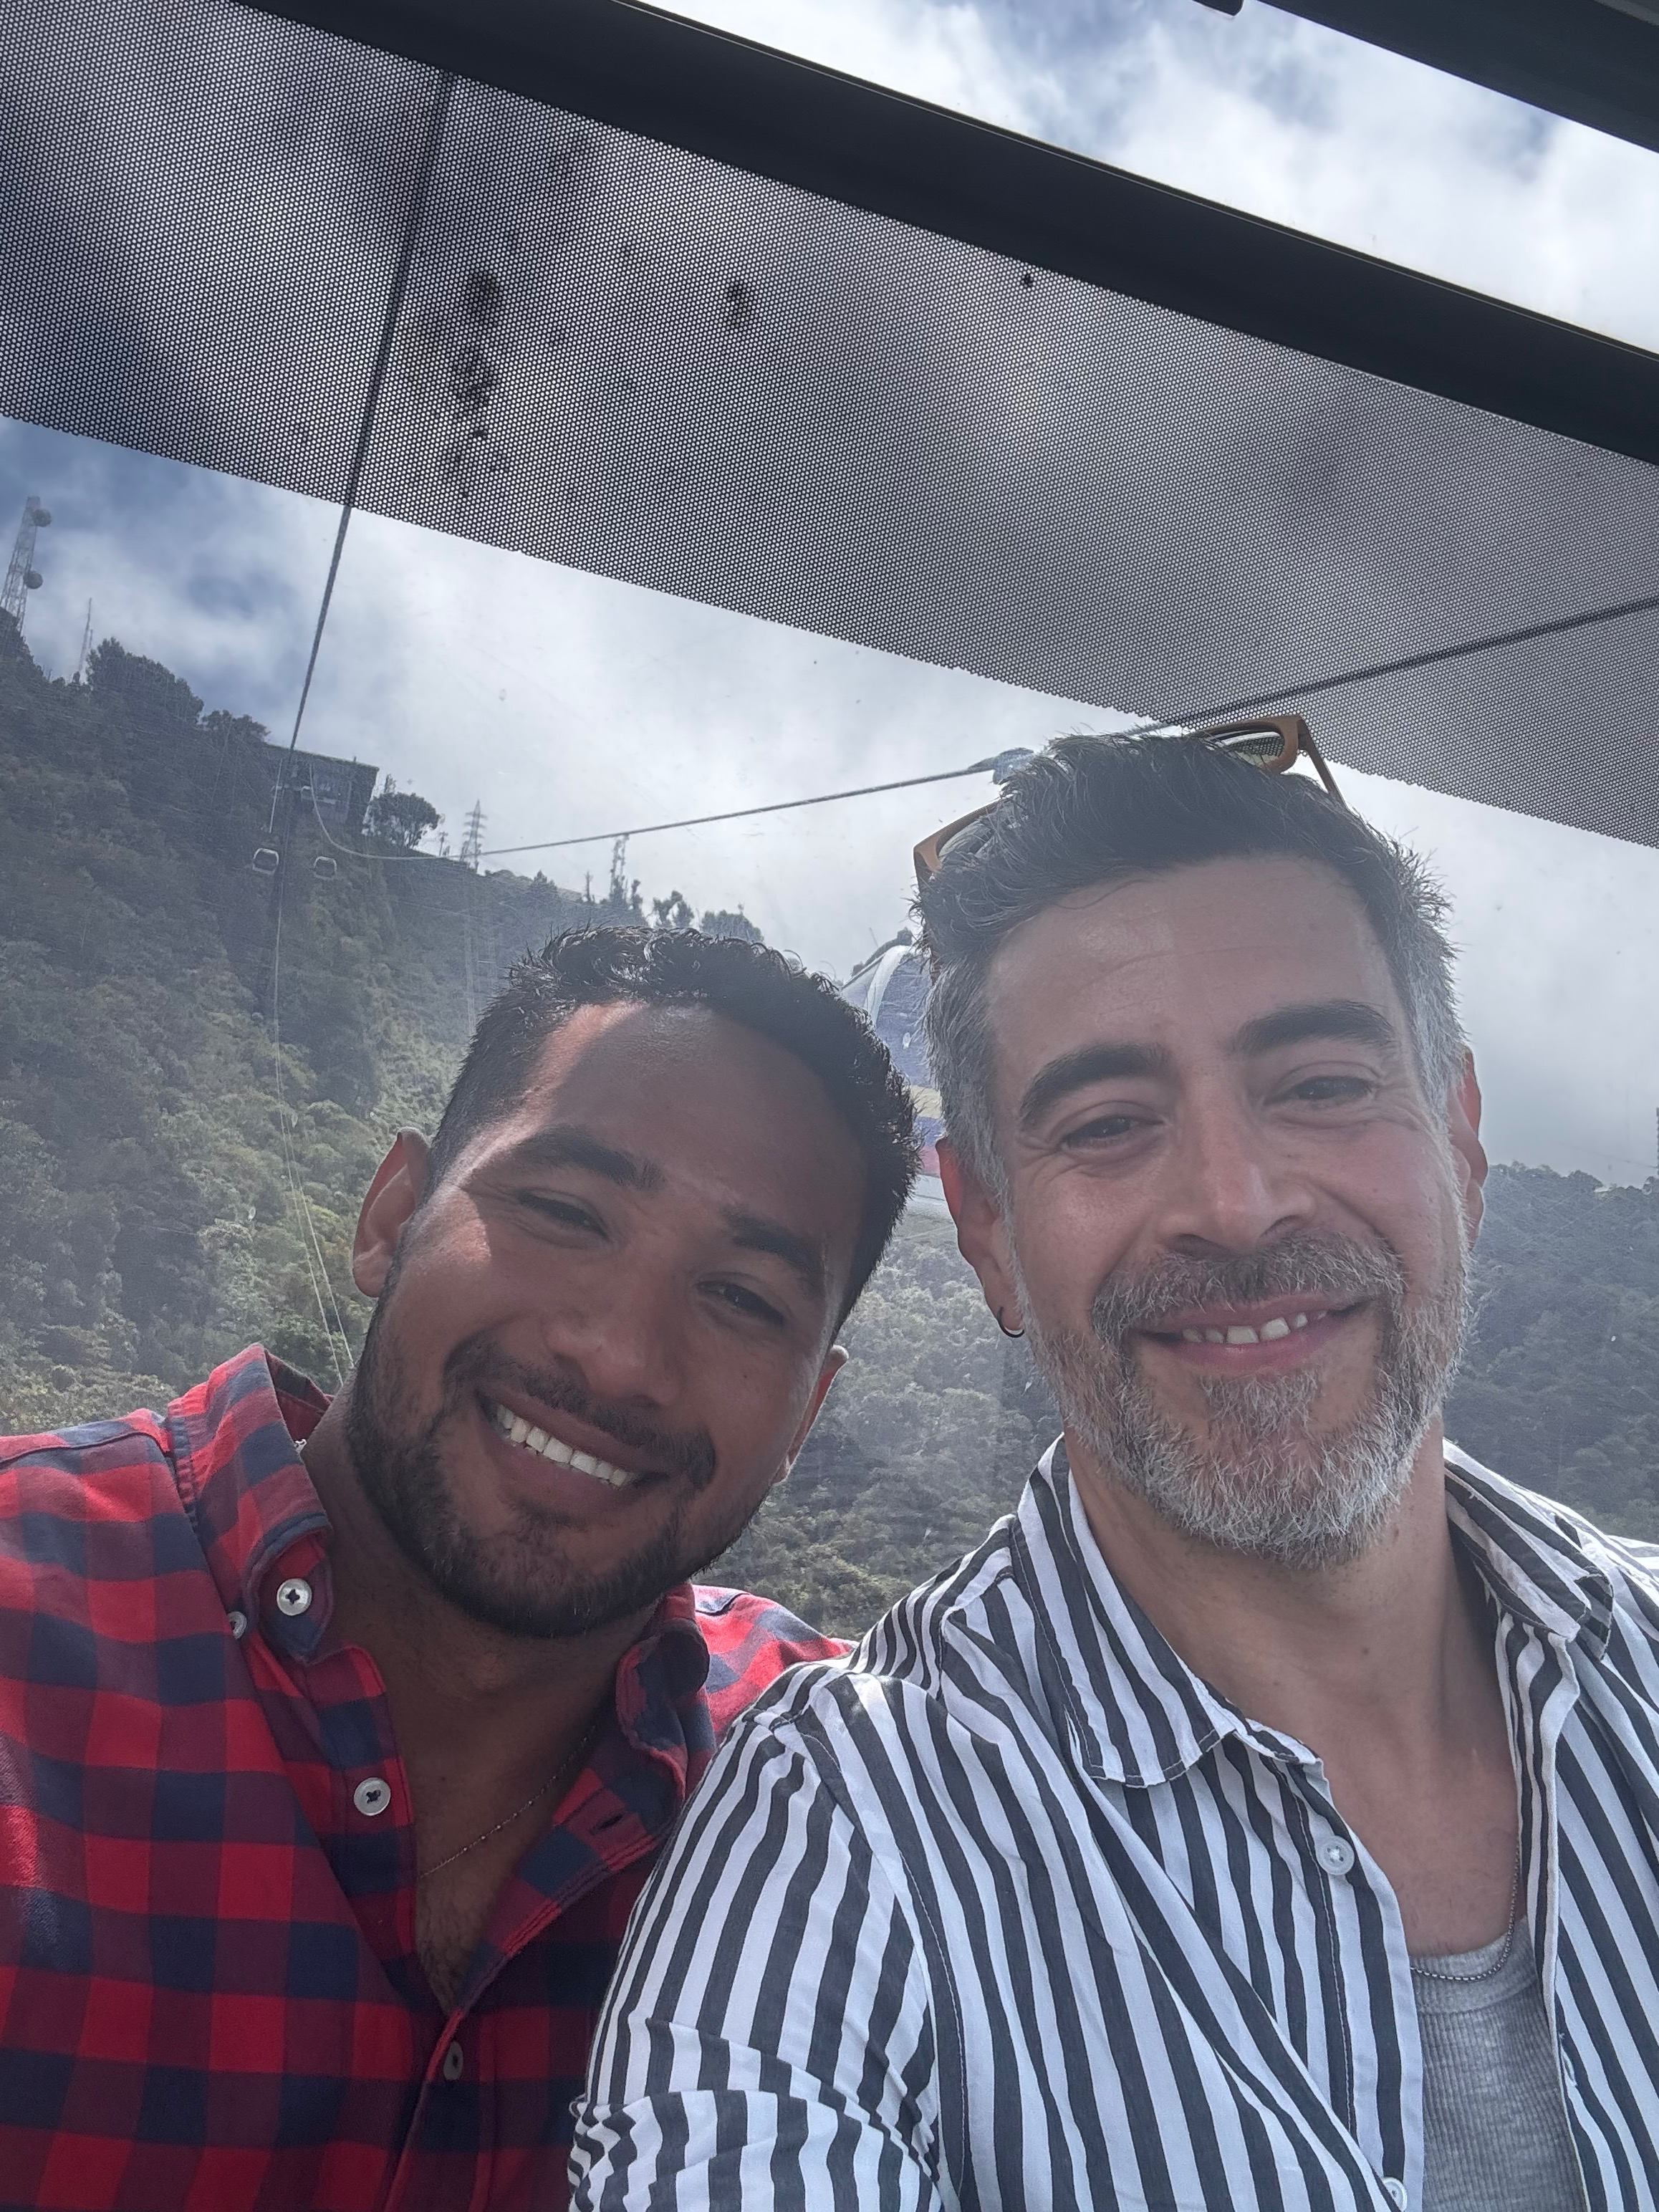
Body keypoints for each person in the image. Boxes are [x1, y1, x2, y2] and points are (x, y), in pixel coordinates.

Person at [572, 728, 1659, 2211]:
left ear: (1461, 1141)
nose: (1235, 1202)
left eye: (1321, 1082)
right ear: (989, 1233)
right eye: (1105, 1125)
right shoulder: (841, 1845)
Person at [0, 925, 916, 2212]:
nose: (621, 1358)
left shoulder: (842, 1792)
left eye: (745, 1299)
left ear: (807, 1414)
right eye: (566, 1214)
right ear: (392, 1219)